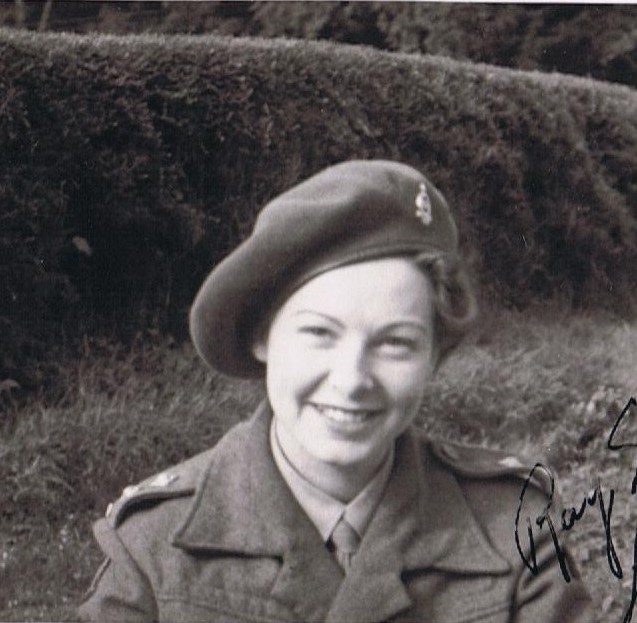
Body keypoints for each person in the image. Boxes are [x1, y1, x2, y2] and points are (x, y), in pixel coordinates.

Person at [79, 160, 593, 622]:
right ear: (262, 336)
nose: (352, 380)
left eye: (395, 342)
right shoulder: (153, 544)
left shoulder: (514, 525)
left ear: (433, 356)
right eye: (319, 333)